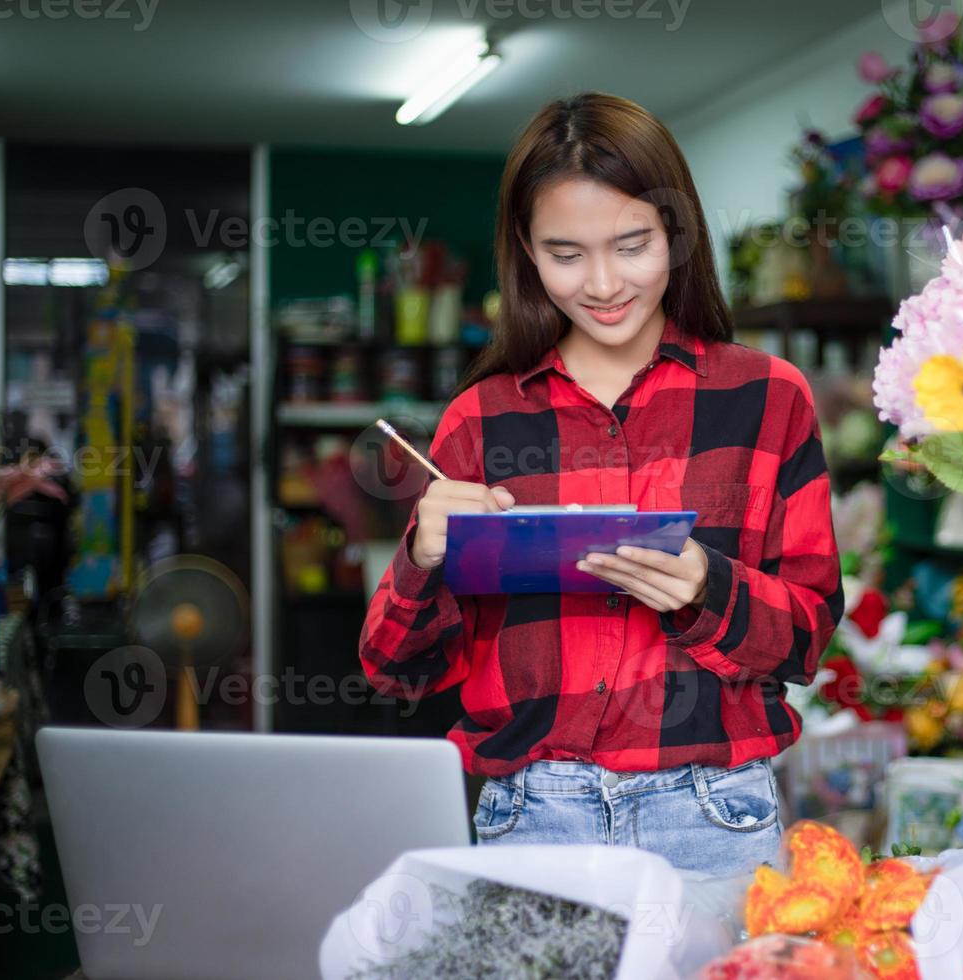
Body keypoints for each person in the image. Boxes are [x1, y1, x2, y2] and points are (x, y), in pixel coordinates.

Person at [358, 92, 844, 877]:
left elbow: (807, 639)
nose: (605, 283)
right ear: (525, 250)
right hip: (528, 814)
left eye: (632, 244)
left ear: (676, 235)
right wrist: (424, 552)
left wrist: (702, 587)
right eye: (566, 253)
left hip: (714, 816)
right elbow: (396, 672)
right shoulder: (480, 421)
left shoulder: (767, 398)